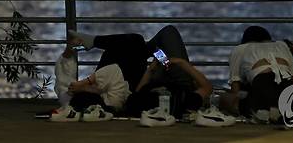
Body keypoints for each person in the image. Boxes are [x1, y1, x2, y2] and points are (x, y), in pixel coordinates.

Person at [53, 25, 212, 121]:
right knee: (150, 39)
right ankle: (94, 42)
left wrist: (86, 83)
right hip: (175, 80)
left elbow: (64, 70)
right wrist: (180, 64)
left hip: (136, 80)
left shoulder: (72, 96)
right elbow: (206, 88)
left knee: (137, 42)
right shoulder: (184, 98)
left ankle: (93, 42)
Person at [221, 26, 293, 123]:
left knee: (224, 98)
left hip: (262, 84)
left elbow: (235, 88)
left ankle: (265, 110)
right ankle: (281, 110)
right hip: (287, 88)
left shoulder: (240, 49)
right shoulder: (282, 46)